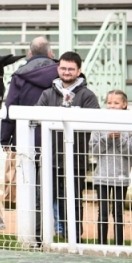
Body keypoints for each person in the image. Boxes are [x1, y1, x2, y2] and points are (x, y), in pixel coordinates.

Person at [35, 51, 100, 243]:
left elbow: (93, 121)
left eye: (71, 69)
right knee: (45, 198)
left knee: (73, 199)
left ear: (79, 71)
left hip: (76, 158)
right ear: (58, 69)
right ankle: (44, 237)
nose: (66, 72)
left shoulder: (88, 96)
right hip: (50, 157)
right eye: (63, 68)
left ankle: (73, 237)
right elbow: (37, 118)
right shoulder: (47, 94)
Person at [0, 36, 58, 209]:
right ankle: (56, 225)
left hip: (25, 138)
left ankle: (33, 224)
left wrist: (5, 138)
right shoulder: (61, 72)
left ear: (29, 53)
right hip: (56, 138)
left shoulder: (20, 75)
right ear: (50, 53)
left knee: (28, 181)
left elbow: (11, 106)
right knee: (52, 182)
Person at [89, 90, 132, 246]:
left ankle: (119, 245)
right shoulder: (99, 124)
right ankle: (101, 244)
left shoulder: (131, 125)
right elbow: (94, 151)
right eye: (109, 103)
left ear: (124, 105)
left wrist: (120, 138)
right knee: (102, 212)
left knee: (118, 213)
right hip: (101, 176)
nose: (112, 106)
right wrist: (107, 138)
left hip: (121, 176)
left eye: (116, 103)